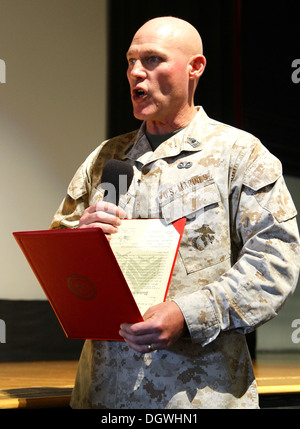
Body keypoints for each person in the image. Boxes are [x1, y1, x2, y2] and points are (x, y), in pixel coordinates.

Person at [50, 17, 300, 409]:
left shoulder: (240, 155)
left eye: (152, 60)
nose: (136, 72)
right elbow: (56, 270)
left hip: (199, 397)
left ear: (195, 68)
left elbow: (274, 266)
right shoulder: (106, 160)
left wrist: (187, 313)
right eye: (130, 61)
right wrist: (78, 242)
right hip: (104, 396)